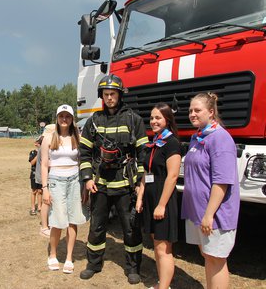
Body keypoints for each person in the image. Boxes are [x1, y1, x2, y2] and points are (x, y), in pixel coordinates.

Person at [79, 74, 148, 284]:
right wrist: (87, 178)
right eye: (106, 94)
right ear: (102, 96)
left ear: (119, 95)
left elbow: (142, 152)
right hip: (99, 185)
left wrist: (139, 182)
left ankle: (133, 268)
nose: (109, 98)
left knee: (130, 228)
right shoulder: (94, 121)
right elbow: (84, 152)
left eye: (113, 94)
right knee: (97, 226)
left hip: (124, 185)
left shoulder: (133, 119)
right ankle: (93, 264)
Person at [181, 93, 240, 289]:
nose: (192, 114)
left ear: (211, 112)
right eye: (190, 110)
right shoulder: (197, 137)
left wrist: (209, 215)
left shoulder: (220, 138)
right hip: (197, 212)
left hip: (214, 216)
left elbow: (222, 182)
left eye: (197, 110)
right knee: (208, 256)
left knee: (217, 259)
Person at [136, 103, 182, 289]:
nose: (154, 121)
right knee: (157, 244)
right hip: (151, 199)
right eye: (152, 117)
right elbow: (147, 173)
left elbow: (172, 176)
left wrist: (161, 205)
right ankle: (161, 284)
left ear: (167, 120)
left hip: (163, 200)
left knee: (163, 248)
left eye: (158, 118)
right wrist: (140, 196)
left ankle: (164, 287)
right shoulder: (154, 142)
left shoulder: (172, 143)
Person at [41, 105, 88, 274]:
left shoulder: (78, 137)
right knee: (57, 221)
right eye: (61, 116)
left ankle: (69, 257)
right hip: (55, 181)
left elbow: (83, 163)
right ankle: (53, 254)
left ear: (72, 119)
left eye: (67, 116)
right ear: (57, 118)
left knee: (73, 220)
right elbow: (44, 165)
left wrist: (85, 186)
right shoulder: (48, 138)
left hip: (75, 180)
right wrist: (45, 189)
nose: (64, 119)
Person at [36, 124, 55, 238]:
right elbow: (45, 164)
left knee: (48, 200)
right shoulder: (45, 145)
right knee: (46, 201)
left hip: (45, 176)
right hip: (46, 177)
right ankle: (44, 226)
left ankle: (47, 223)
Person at [28, 137, 43, 216]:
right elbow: (32, 163)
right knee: (34, 191)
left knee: (40, 191)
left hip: (41, 174)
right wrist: (38, 155)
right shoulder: (33, 152)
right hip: (34, 174)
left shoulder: (44, 152)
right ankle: (33, 208)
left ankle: (40, 207)